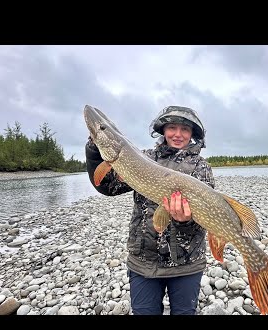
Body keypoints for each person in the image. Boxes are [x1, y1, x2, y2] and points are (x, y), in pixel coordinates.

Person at [85, 105, 215, 315]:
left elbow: (207, 216)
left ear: (193, 134)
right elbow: (108, 186)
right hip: (143, 261)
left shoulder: (201, 167)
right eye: (172, 127)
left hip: (186, 263)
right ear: (163, 130)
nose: (178, 134)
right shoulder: (143, 157)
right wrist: (94, 149)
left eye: (185, 129)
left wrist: (185, 220)